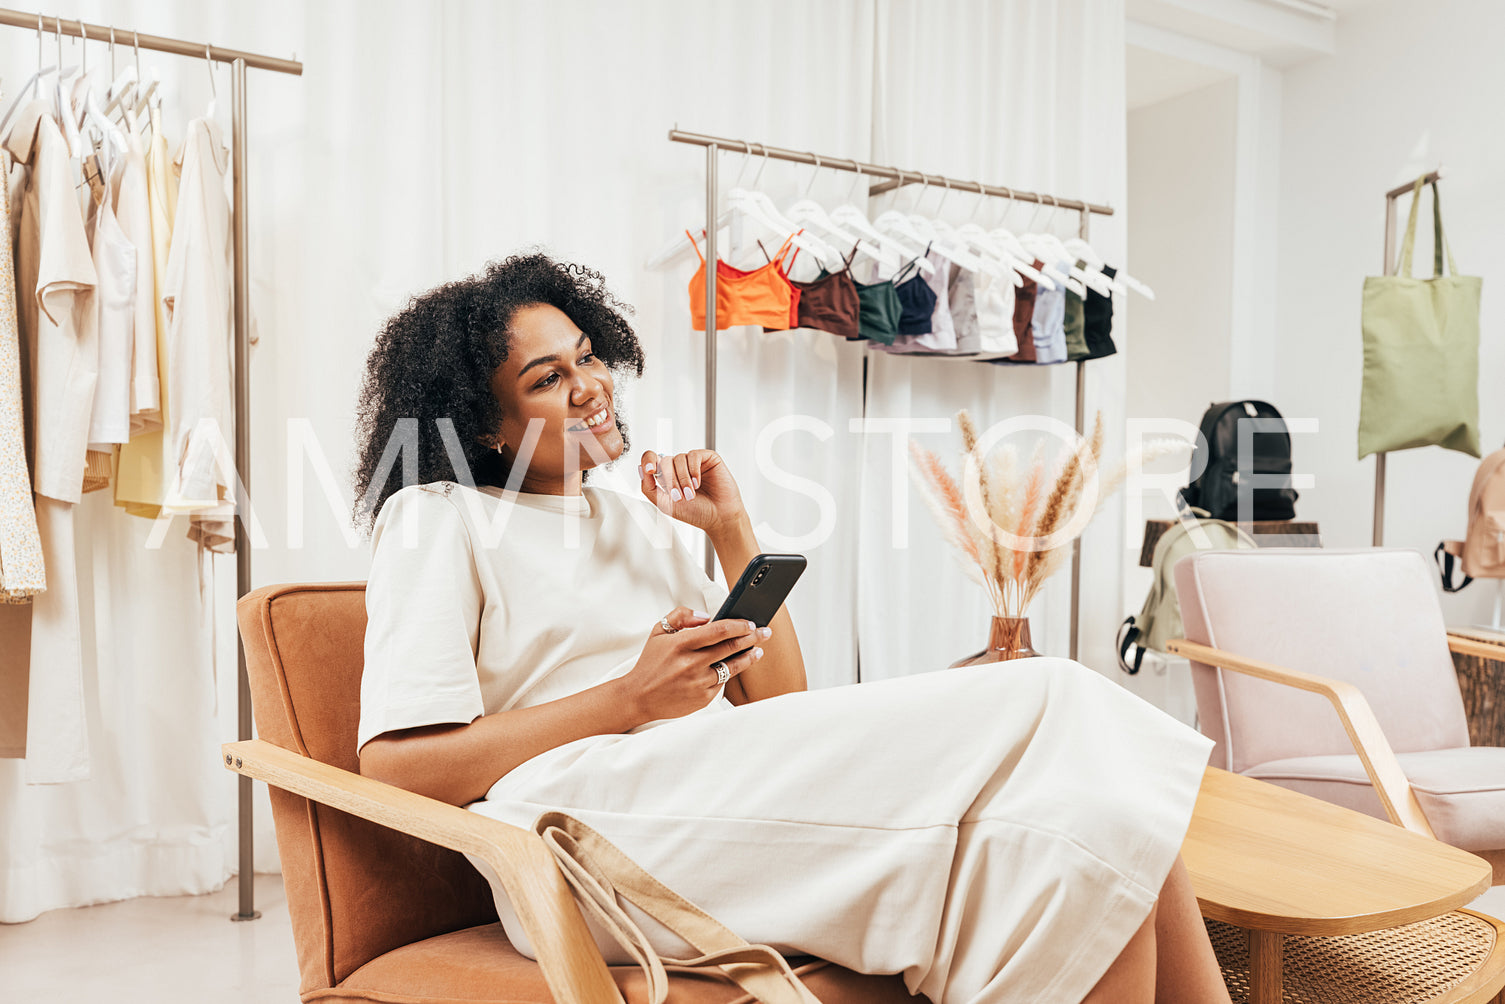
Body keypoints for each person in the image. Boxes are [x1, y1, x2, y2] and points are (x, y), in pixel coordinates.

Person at [350, 252, 1231, 1004]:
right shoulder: (439, 517)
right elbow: (394, 768)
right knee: (1051, 689)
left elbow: (782, 705)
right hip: (579, 843)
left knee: (1094, 822)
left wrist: (730, 530)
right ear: (484, 426)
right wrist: (626, 698)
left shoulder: (649, 522)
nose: (589, 387)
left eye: (586, 358)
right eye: (546, 379)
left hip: (723, 797)